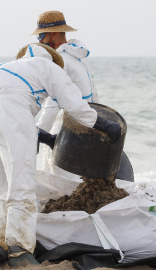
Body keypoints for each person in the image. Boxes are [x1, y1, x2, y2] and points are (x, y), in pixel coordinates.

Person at [0, 43, 121, 266]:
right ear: (51, 59)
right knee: (22, 182)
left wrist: (47, 138)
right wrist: (102, 124)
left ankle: (3, 240)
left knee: (4, 183)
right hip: (8, 114)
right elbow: (74, 104)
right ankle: (19, 249)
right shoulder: (48, 66)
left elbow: (9, 105)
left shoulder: (2, 67)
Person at [33, 10, 100, 179]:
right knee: (80, 177)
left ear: (52, 35)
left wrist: (38, 133)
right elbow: (93, 92)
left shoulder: (59, 61)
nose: (39, 42)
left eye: (40, 37)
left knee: (56, 178)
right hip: (84, 124)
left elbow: (53, 102)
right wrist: (98, 122)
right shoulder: (79, 56)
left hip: (64, 128)